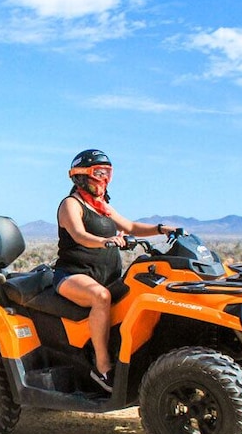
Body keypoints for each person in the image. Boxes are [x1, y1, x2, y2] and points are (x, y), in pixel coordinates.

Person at [52, 149, 178, 392]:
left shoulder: (102, 206)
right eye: (98, 172)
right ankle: (103, 367)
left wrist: (162, 229)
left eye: (107, 172)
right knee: (101, 297)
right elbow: (79, 235)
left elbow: (130, 226)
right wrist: (106, 241)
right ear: (81, 176)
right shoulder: (71, 204)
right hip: (73, 274)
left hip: (105, 275)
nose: (104, 178)